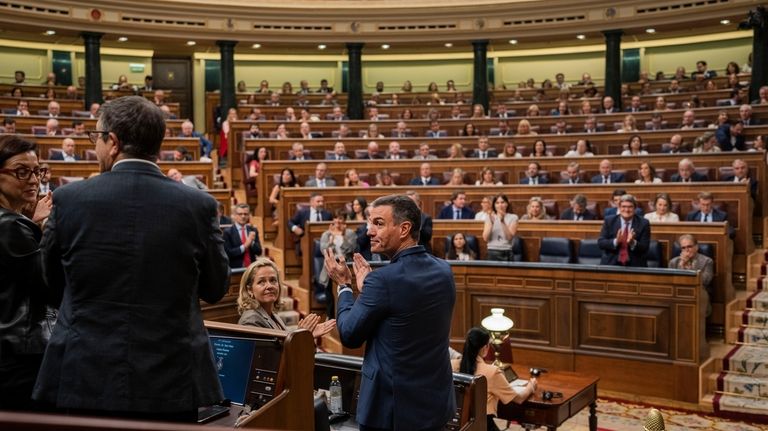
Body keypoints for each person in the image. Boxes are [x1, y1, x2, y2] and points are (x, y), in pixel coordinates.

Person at [35, 96, 230, 421]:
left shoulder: (68, 200)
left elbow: (48, 284)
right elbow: (215, 287)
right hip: (172, 378)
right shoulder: (198, 205)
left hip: (85, 374)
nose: (95, 146)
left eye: (95, 138)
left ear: (112, 142)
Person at [323, 194, 456, 431]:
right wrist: (370, 293)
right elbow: (404, 315)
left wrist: (344, 286)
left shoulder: (383, 282)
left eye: (378, 223)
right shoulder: (443, 270)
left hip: (392, 413)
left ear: (404, 228)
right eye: (369, 223)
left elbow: (349, 334)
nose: (369, 232)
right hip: (434, 406)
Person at [0, 135, 53, 410]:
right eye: (22, 171)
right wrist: (43, 231)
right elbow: (49, 287)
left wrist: (31, 224)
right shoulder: (10, 226)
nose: (34, 180)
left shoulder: (14, 223)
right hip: (19, 356)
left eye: (37, 171)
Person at [453, 327, 536, 431]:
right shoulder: (492, 372)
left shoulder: (452, 365)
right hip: (482, 425)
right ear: (485, 347)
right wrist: (531, 386)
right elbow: (518, 399)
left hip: (456, 423)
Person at [237, 257, 335, 337]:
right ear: (250, 290)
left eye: (273, 280)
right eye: (261, 282)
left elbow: (283, 345)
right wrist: (300, 336)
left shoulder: (273, 315)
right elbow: (272, 358)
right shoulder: (250, 321)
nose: (269, 286)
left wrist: (307, 335)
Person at [597, 194, 651, 267]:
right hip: (611, 263)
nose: (626, 210)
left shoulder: (643, 223)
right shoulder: (609, 221)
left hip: (635, 265)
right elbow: (601, 243)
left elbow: (645, 247)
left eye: (630, 207)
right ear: (619, 207)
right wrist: (616, 241)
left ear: (635, 208)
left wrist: (633, 242)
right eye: (624, 206)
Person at [668, 234, 714, 315]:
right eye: (683, 248)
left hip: (698, 293)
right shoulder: (673, 262)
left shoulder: (707, 261)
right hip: (678, 293)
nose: (687, 250)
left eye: (689, 247)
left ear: (696, 247)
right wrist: (682, 265)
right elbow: (670, 282)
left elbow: (706, 281)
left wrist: (689, 268)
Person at [223, 203, 262, 269]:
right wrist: (244, 246)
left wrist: (252, 243)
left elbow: (259, 252)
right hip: (235, 269)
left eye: (245, 214)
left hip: (251, 268)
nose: (243, 216)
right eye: (240, 214)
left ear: (249, 216)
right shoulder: (227, 232)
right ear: (235, 215)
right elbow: (228, 253)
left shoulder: (253, 230)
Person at [483, 193, 519, 261]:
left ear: (507, 204)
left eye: (502, 202)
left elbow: (509, 237)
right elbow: (485, 238)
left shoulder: (513, 217)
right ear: (494, 205)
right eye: (497, 203)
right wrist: (491, 224)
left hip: (506, 251)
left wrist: (502, 221)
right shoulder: (489, 217)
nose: (500, 205)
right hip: (492, 251)